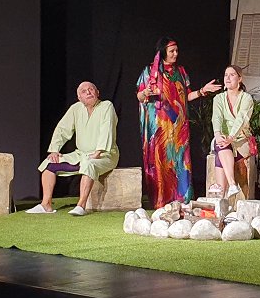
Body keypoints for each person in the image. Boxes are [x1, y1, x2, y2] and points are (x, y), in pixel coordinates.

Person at [137, 37, 221, 208]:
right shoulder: (149, 71)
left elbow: (187, 96)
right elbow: (139, 96)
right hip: (159, 127)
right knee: (161, 161)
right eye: (172, 51)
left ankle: (183, 200)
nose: (176, 54)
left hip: (179, 127)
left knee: (181, 160)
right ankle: (161, 201)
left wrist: (202, 91)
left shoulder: (181, 72)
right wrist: (145, 92)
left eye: (176, 50)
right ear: (163, 52)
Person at [27, 81, 119, 216]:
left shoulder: (106, 106)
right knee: (49, 163)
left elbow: (107, 129)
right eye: (84, 91)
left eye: (91, 89)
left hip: (106, 155)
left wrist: (98, 151)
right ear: (79, 97)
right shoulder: (76, 108)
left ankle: (81, 205)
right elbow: (62, 129)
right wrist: (54, 150)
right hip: (81, 154)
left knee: (89, 164)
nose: (88, 92)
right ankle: (46, 204)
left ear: (97, 92)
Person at [211, 65, 254, 198]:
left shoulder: (246, 98)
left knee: (221, 151)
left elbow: (241, 119)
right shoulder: (218, 98)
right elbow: (217, 117)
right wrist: (218, 134)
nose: (228, 78)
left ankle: (222, 195)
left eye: (232, 75)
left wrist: (231, 137)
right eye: (226, 75)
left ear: (239, 79)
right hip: (223, 139)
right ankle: (231, 185)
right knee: (220, 144)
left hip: (240, 139)